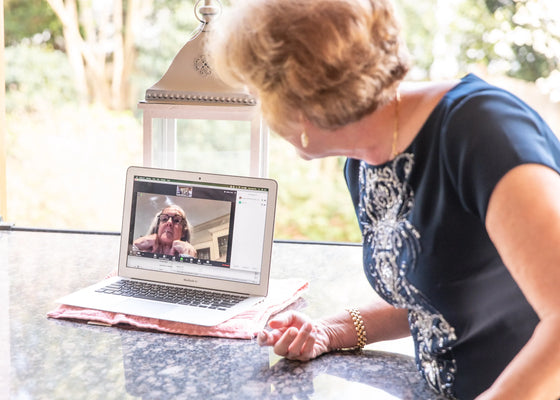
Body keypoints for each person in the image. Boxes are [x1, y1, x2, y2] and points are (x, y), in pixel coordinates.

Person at [206, 0, 560, 399]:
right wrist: (331, 329)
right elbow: (440, 289)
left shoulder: (481, 131)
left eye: (259, 91)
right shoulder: (365, 163)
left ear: (303, 97)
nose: (261, 110)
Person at [133, 205, 197, 258]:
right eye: (164, 219)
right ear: (158, 228)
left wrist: (188, 257)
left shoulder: (188, 255)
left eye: (176, 220)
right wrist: (135, 245)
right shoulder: (141, 254)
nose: (169, 222)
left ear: (184, 232)